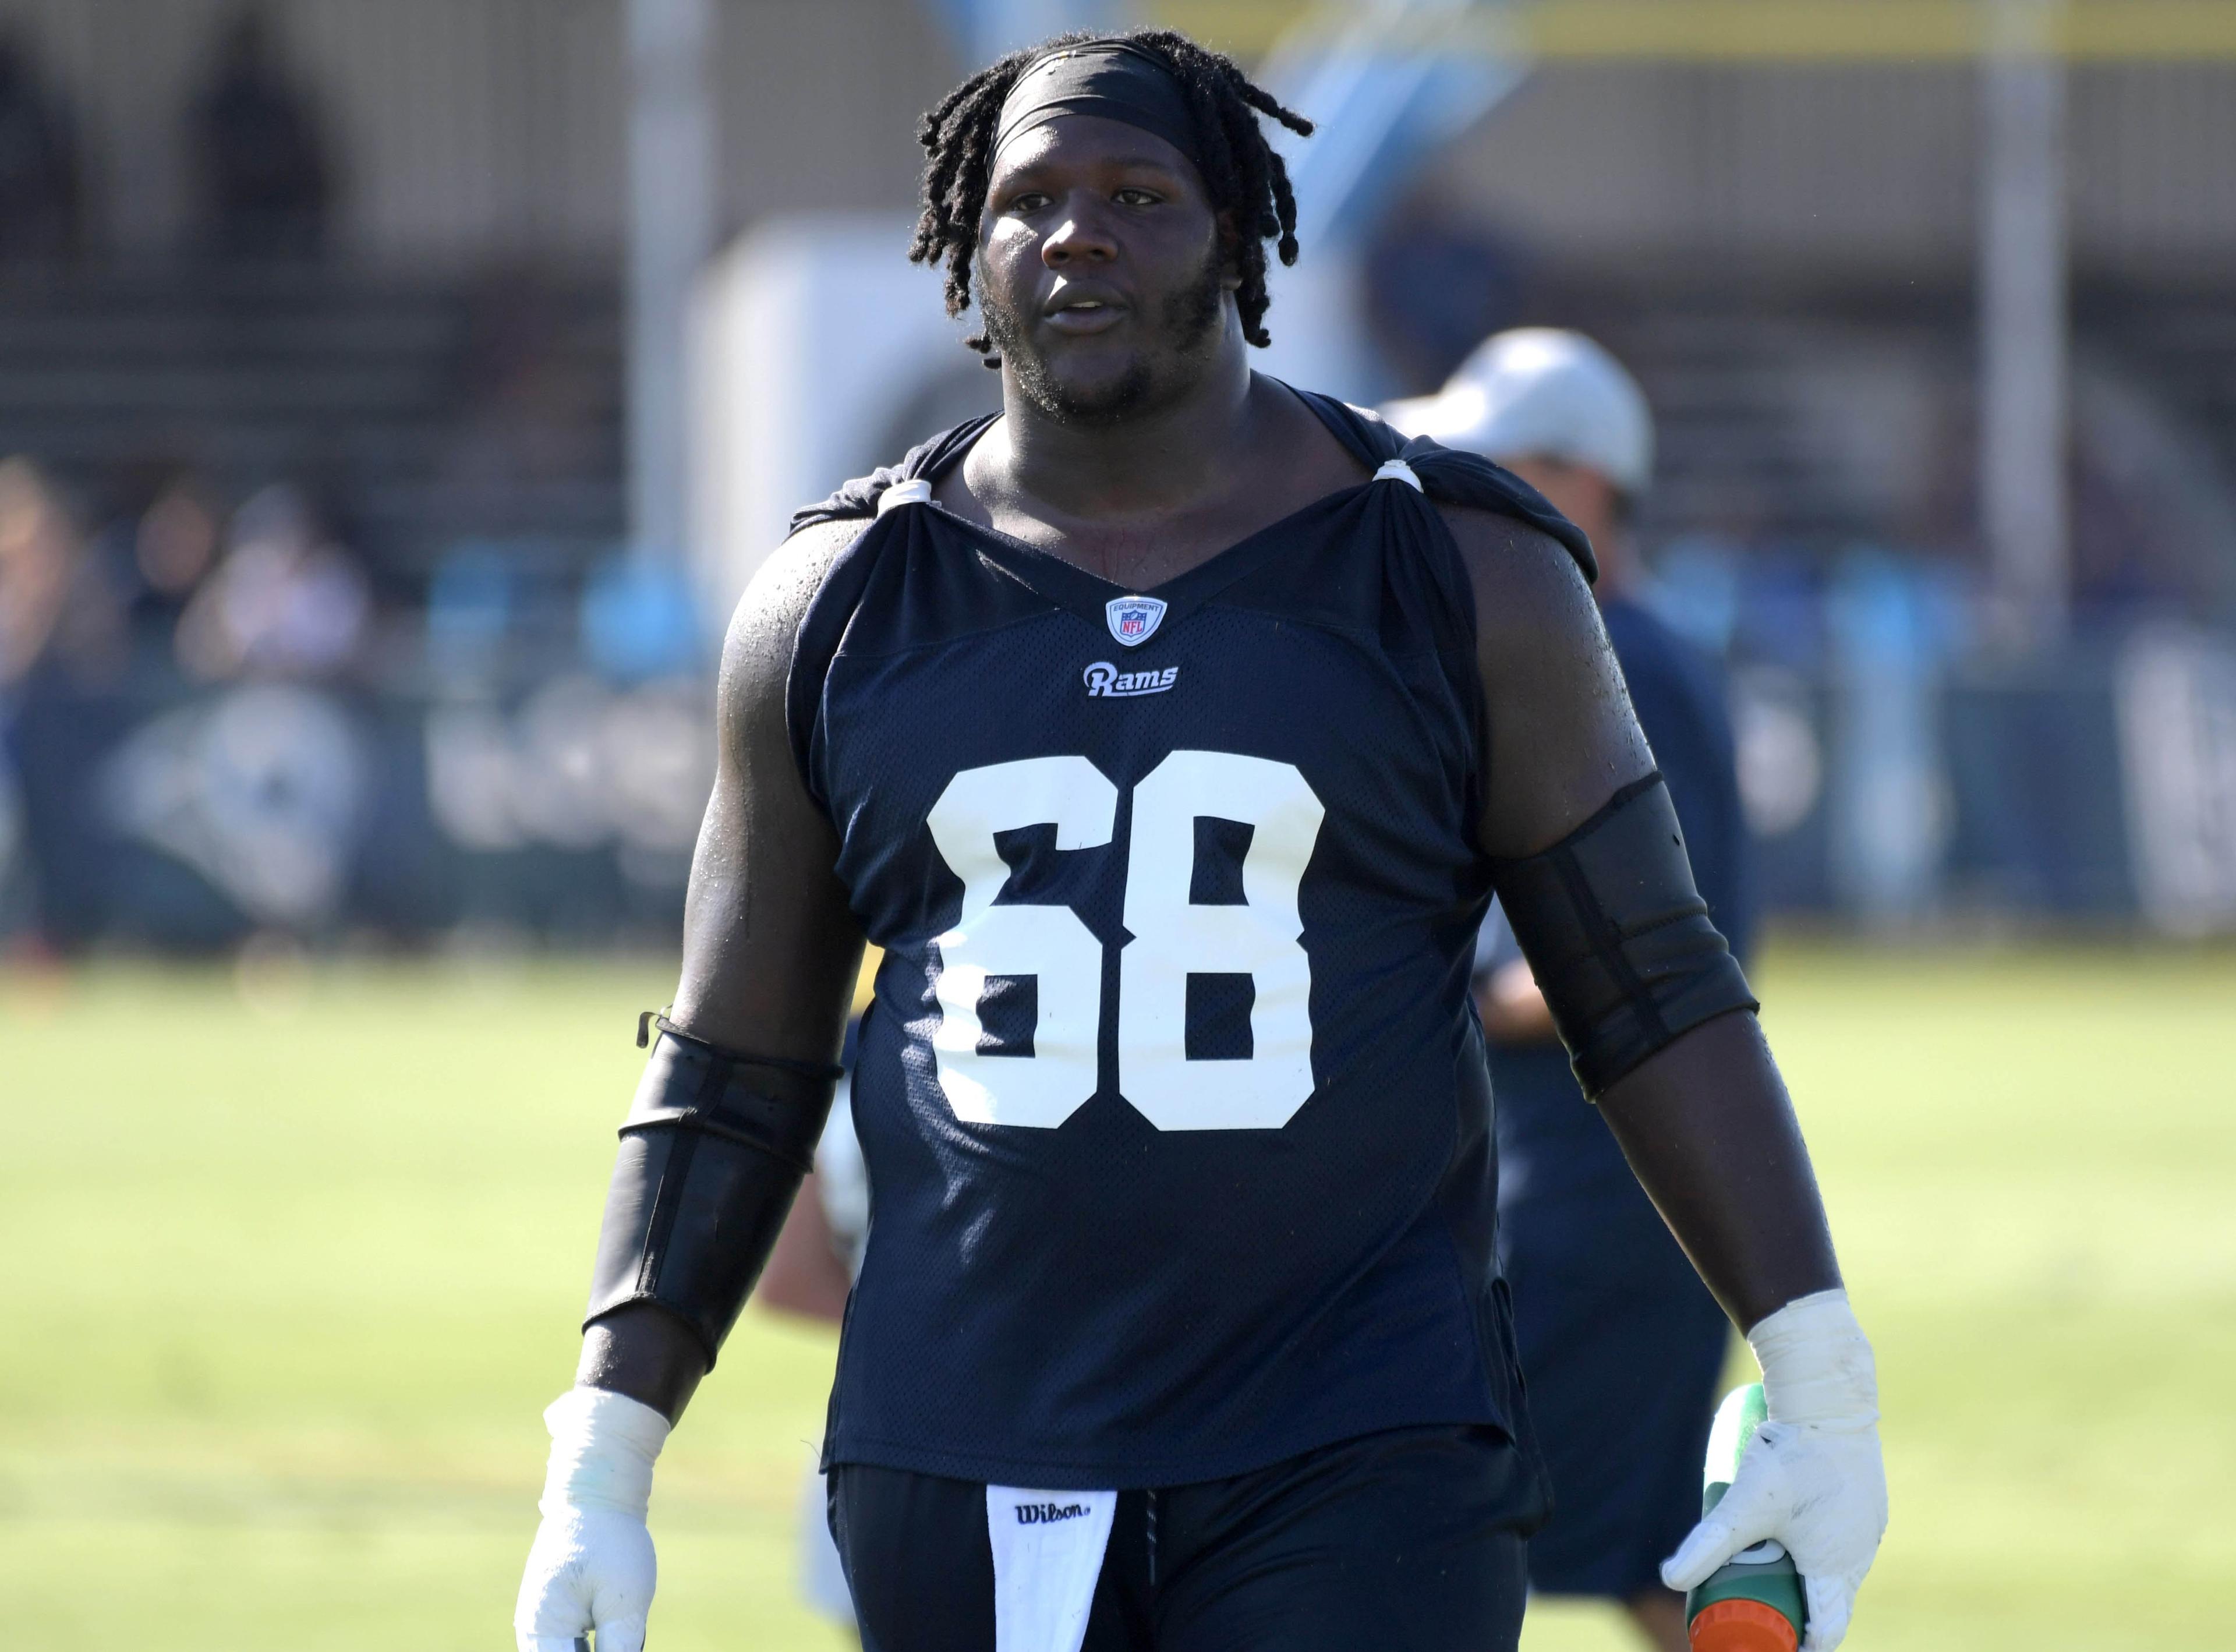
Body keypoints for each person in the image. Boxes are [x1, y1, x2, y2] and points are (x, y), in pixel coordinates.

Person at [514, 31, 1886, 1652]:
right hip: (963, 1440)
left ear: (1240, 230)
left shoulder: (1461, 569)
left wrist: (1820, 1375)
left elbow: (1651, 992)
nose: (1075, 232)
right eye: (1028, 198)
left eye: (1136, 193)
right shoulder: (838, 605)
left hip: (1360, 1440)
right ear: (967, 251)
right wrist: (602, 1450)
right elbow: (734, 1066)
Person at [1389, 331, 1754, 1652]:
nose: (1452, 507)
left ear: (1573, 484)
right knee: (1648, 1563)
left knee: (1405, 1532)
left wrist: (1427, 999)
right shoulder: (1627, 648)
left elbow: (1653, 946)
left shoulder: (1615, 660)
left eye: (1483, 475)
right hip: (1621, 1203)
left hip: (1584, 1205)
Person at [189, 9, 334, 261]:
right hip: (236, 221)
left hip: (284, 217)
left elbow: (309, 161)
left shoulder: (283, 103)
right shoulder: (223, 106)